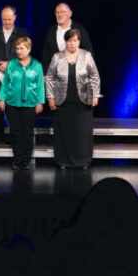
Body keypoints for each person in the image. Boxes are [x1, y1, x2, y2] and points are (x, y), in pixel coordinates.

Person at [45, 29, 101, 170]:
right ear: (66, 42)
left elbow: (94, 76)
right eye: (70, 41)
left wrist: (95, 95)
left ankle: (84, 161)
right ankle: (63, 161)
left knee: (82, 133)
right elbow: (50, 77)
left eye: (75, 40)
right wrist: (50, 97)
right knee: (64, 132)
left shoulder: (86, 55)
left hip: (83, 101)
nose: (72, 43)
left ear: (79, 41)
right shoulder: (57, 57)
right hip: (62, 101)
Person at [0, 37, 45, 169]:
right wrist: (2, 99)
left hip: (30, 103)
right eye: (17, 48)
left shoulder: (37, 65)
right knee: (16, 132)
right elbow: (5, 83)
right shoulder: (11, 64)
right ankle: (18, 159)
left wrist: (40, 102)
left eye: (22, 48)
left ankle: (26, 159)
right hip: (12, 103)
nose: (19, 51)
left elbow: (40, 85)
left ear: (29, 49)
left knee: (28, 132)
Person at [0, 5, 27, 143]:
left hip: (15, 75)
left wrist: (10, 65)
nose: (7, 22)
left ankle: (15, 137)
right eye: (4, 19)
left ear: (15, 17)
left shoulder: (22, 32)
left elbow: (25, 51)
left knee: (13, 108)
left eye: (9, 19)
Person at [41, 3, 93, 69]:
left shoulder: (79, 29)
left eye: (62, 12)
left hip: (77, 71)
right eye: (57, 12)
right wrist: (45, 72)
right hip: (56, 72)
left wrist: (89, 70)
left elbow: (88, 51)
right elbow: (46, 55)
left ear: (70, 14)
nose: (59, 15)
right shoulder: (51, 31)